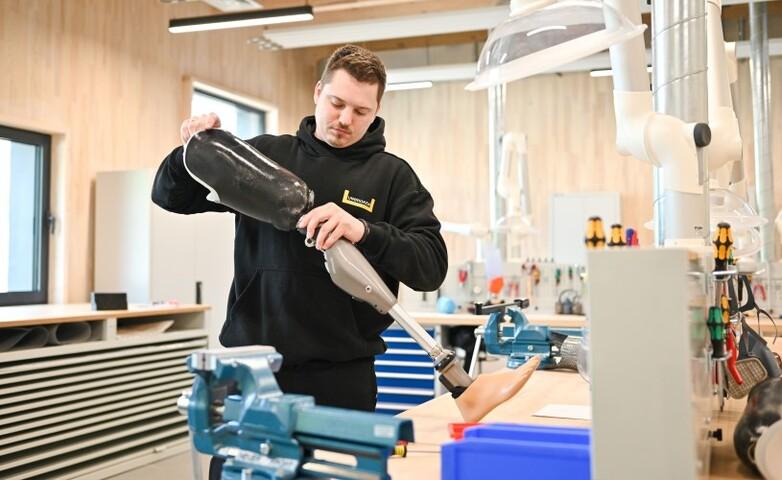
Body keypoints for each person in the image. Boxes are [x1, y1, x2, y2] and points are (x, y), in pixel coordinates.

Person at [151, 44, 447, 479]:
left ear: (377, 109)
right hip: (256, 373)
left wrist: (364, 230)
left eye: (361, 111)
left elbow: (430, 265)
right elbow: (171, 197)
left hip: (342, 379)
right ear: (317, 92)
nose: (345, 119)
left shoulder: (392, 176)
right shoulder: (267, 156)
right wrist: (192, 149)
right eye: (337, 103)